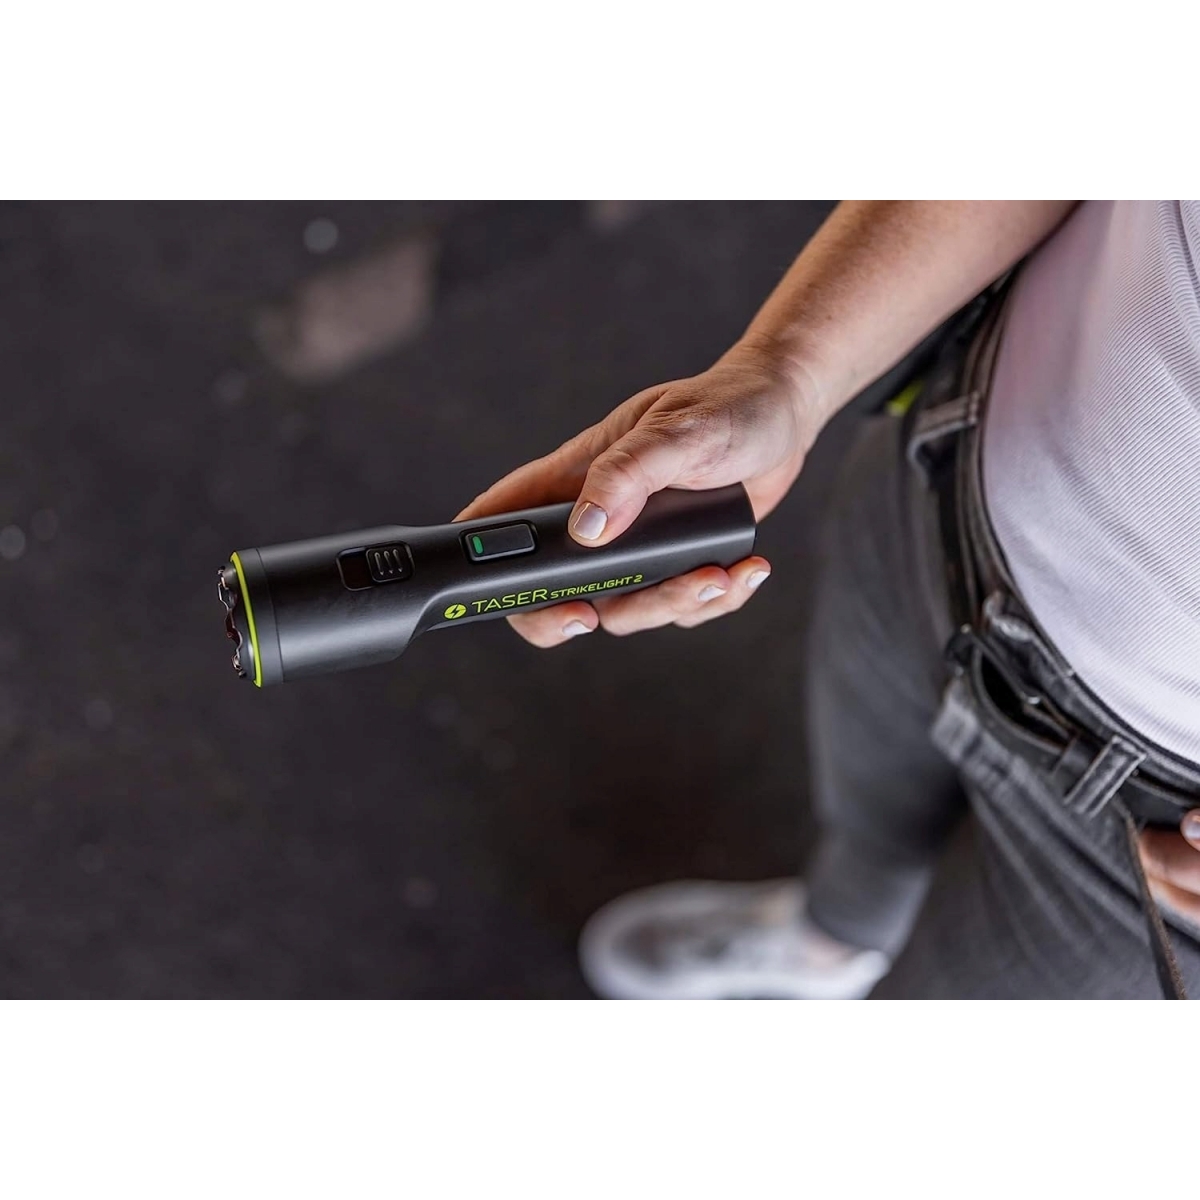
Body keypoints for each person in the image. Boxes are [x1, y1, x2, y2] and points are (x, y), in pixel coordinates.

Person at [458, 201, 1200, 999]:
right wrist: (789, 368)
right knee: (865, 819)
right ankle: (831, 940)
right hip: (947, 482)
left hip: (1160, 849)